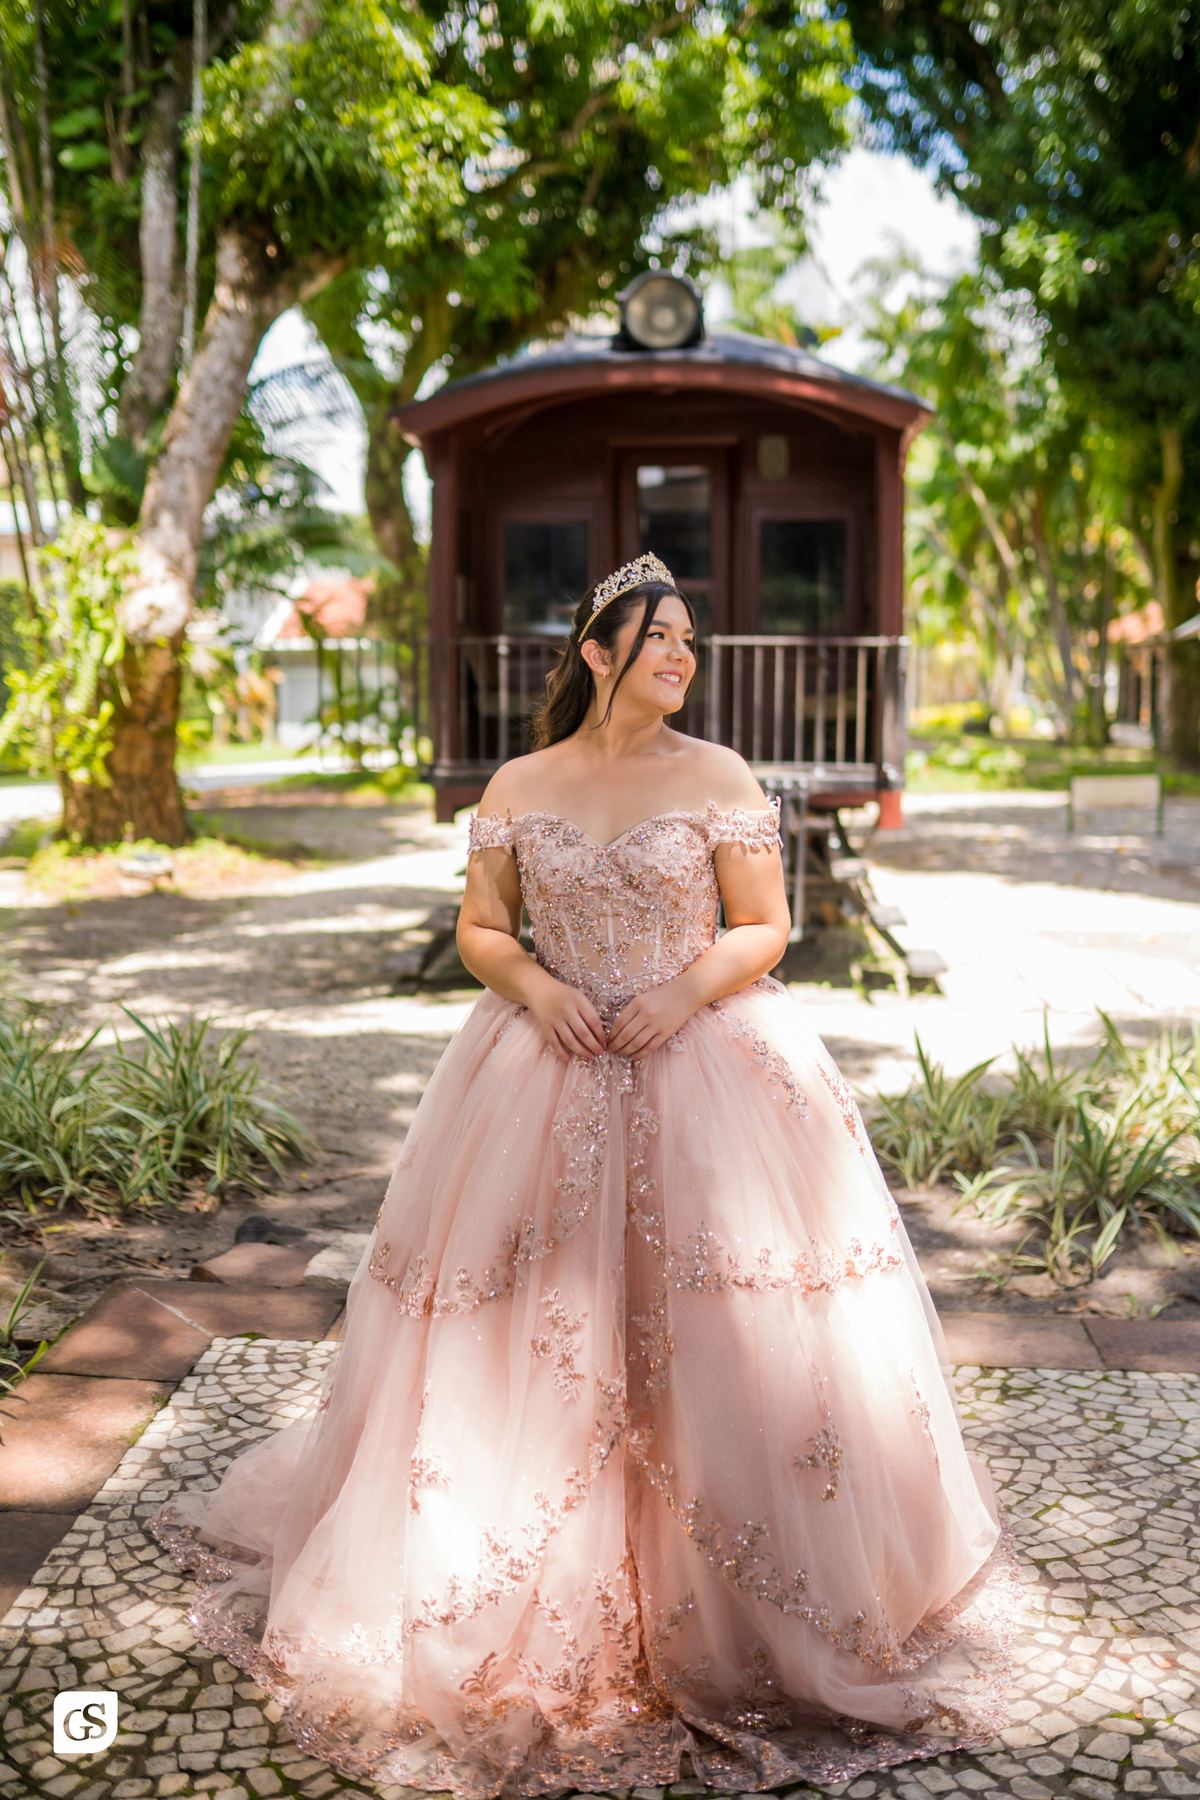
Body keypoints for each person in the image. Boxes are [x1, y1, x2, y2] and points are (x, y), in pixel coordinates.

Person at [151, 554, 1016, 1797]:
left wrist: (678, 992)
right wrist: (545, 987)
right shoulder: (520, 782)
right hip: (541, 1070)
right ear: (599, 654)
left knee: (723, 1317)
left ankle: (729, 1593)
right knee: (525, 1315)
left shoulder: (717, 777)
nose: (681, 656)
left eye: (689, 641)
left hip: (702, 1061)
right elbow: (480, 931)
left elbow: (764, 929)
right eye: (657, 639)